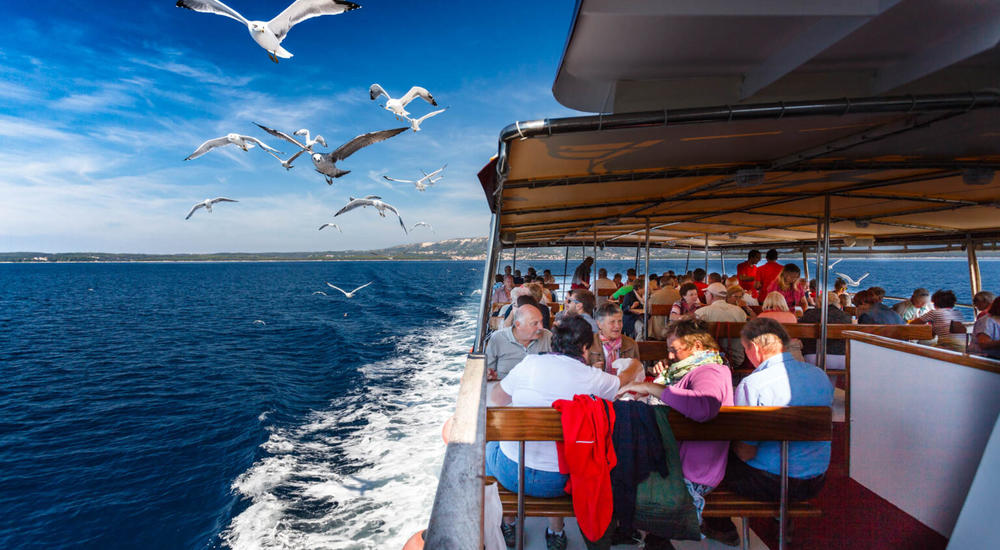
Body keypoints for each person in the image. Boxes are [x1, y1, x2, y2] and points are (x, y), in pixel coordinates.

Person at [488, 316, 644, 550]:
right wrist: (634, 365)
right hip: (561, 482)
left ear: (554, 343)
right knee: (564, 454)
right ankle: (556, 531)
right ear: (584, 347)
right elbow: (622, 382)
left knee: (492, 445)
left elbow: (497, 398)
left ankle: (508, 522)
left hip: (514, 475)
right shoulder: (594, 379)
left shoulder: (529, 364)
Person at [702, 319, 833, 544]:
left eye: (745, 349)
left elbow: (745, 452)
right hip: (815, 479)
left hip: (770, 482)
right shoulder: (820, 376)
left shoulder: (754, 384)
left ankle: (721, 525)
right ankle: (781, 515)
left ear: (754, 348)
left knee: (712, 456)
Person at [619, 320, 735, 539]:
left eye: (674, 350)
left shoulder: (710, 372)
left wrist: (650, 387)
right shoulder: (698, 367)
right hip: (687, 461)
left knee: (618, 469)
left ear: (697, 346)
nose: (671, 356)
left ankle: (634, 532)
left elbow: (704, 407)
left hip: (692, 471)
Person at [485, 304, 552, 381]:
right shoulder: (498, 338)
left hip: (538, 388)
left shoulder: (547, 336)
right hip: (506, 388)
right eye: (535, 323)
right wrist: (490, 375)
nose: (541, 327)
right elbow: (488, 370)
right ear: (518, 325)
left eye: (541, 321)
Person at [695, 283, 749, 367]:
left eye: (706, 293)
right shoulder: (740, 312)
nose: (705, 296)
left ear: (711, 295)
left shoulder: (701, 313)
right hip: (735, 359)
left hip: (709, 360)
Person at [799, 292, 853, 370]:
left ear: (819, 302)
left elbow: (800, 334)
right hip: (842, 358)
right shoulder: (846, 317)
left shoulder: (809, 315)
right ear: (837, 303)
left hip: (814, 356)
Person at [589, 302, 640, 371]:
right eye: (612, 322)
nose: (617, 326)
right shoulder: (589, 344)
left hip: (624, 381)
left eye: (620, 321)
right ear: (599, 324)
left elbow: (637, 371)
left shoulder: (631, 344)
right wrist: (591, 370)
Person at [648, 275, 681, 340]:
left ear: (660, 285)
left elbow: (649, 311)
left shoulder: (654, 295)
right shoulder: (680, 295)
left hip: (657, 331)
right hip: (676, 330)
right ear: (673, 284)